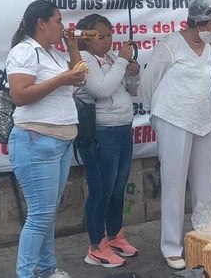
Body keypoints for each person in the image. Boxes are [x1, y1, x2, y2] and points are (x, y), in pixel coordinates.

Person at [139, 0, 211, 270]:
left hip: (205, 119)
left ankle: (204, 235)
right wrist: (157, 116)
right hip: (174, 119)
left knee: (205, 185)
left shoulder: (208, 48)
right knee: (174, 183)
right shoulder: (170, 45)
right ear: (198, 22)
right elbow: (149, 83)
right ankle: (171, 246)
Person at [6, 0, 86, 278]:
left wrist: (73, 48)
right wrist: (61, 80)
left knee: (47, 213)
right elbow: (20, 94)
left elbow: (79, 78)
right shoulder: (26, 51)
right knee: (40, 217)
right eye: (58, 21)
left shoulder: (52, 53)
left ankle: (47, 269)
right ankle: (27, 274)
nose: (62, 26)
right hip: (36, 140)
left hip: (60, 141)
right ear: (41, 23)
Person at [73, 14, 141, 268]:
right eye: (100, 36)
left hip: (123, 128)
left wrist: (131, 70)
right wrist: (122, 61)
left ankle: (114, 235)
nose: (107, 41)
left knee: (118, 187)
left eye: (109, 35)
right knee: (101, 189)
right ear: (86, 39)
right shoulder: (84, 60)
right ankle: (95, 245)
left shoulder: (112, 58)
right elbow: (100, 89)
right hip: (102, 131)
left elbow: (131, 89)